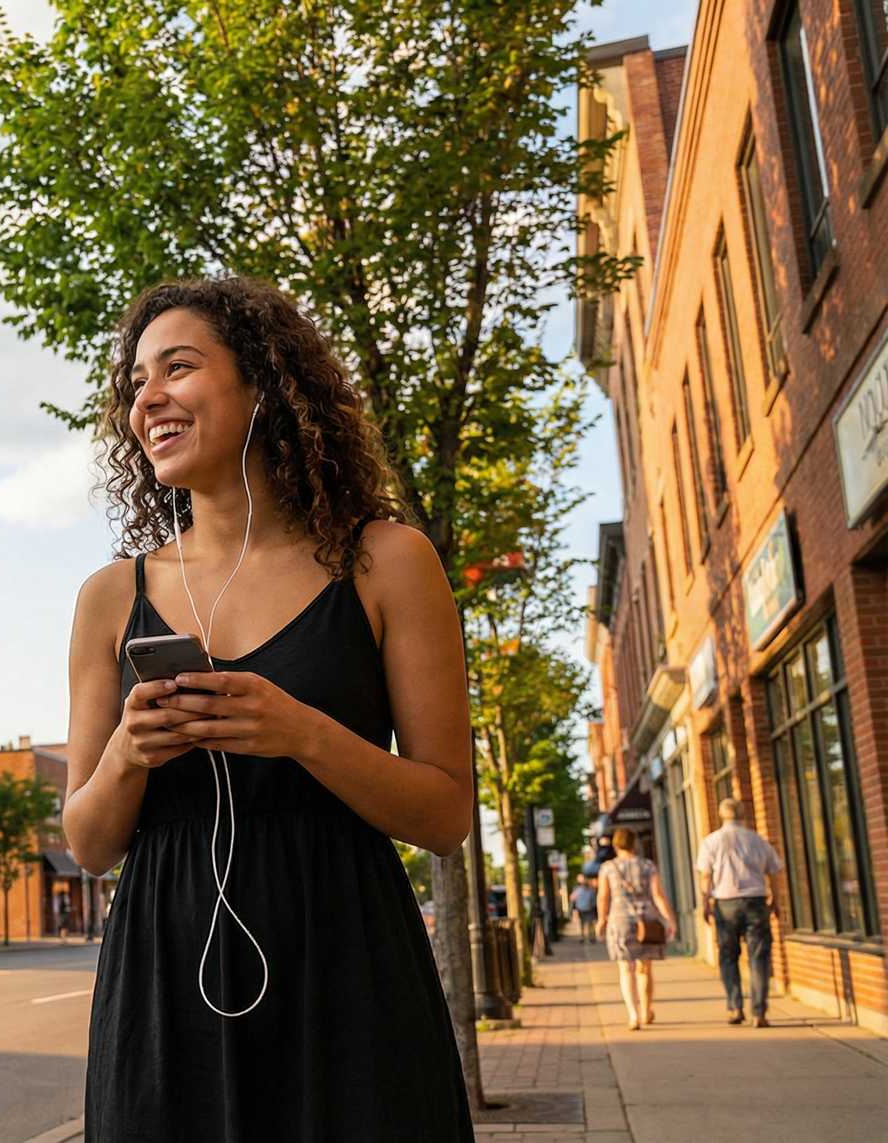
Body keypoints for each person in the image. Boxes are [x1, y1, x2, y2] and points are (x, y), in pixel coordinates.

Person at [64, 278, 475, 1139]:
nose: (149, 398)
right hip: (165, 986)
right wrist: (128, 756)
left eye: (178, 367)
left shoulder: (388, 561)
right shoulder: (110, 596)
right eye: (136, 382)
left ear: (264, 384)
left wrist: (301, 734)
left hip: (347, 969)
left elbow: (444, 815)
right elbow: (90, 843)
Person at [695, 797, 784, 1027]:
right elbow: (773, 869)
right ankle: (759, 1013)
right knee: (759, 956)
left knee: (727, 956)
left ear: (721, 815)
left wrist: (705, 902)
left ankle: (735, 1007)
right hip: (755, 901)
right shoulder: (756, 840)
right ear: (742, 815)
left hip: (725, 903)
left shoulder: (711, 841)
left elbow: (705, 876)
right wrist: (775, 897)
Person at [598, 827, 678, 1030]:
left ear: (616, 845)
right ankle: (646, 1011)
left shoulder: (608, 868)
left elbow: (603, 896)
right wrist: (670, 920)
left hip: (620, 920)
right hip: (647, 920)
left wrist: (601, 919)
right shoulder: (647, 865)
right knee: (645, 969)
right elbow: (658, 895)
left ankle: (632, 1015)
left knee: (626, 969)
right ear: (635, 844)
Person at [572, 877, 599, 944]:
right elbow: (594, 901)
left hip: (582, 909)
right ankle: (590, 938)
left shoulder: (578, 890)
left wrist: (577, 904)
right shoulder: (590, 891)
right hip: (588, 909)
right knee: (589, 924)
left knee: (582, 924)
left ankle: (583, 937)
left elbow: (572, 898)